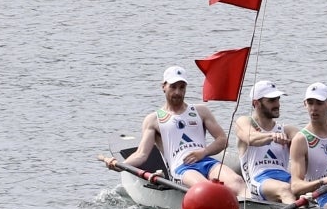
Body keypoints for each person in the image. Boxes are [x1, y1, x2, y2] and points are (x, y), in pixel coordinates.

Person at [101, 65, 247, 196]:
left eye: (182, 87)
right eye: (173, 87)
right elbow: (142, 154)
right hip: (182, 168)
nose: (177, 92)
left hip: (206, 161)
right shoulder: (154, 119)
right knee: (206, 188)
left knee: (237, 181)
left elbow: (222, 140)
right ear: (163, 86)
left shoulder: (201, 111)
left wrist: (203, 152)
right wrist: (121, 166)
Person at [233, 80, 297, 205]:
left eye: (278, 99)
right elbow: (250, 138)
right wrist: (272, 136)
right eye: (271, 101)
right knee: (285, 189)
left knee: (305, 186)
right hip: (258, 181)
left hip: (284, 177)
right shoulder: (244, 122)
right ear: (256, 103)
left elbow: (307, 141)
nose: (277, 104)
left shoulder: (287, 130)